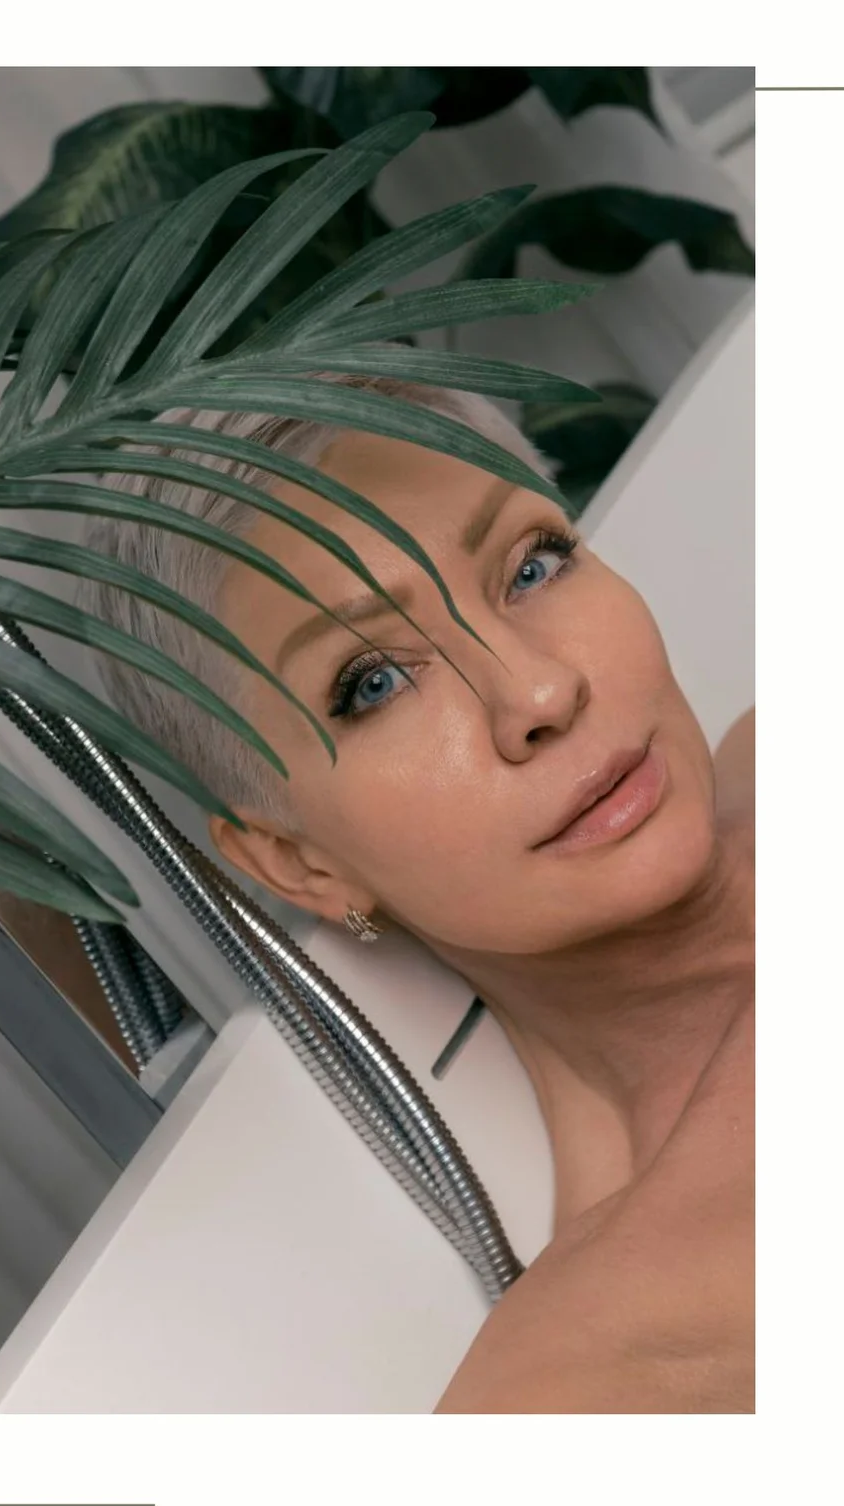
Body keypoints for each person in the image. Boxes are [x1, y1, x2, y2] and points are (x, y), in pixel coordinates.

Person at [85, 372, 754, 1413]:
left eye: (532, 565)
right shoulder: (600, 1382)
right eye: (375, 682)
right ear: (298, 861)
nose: (539, 691)